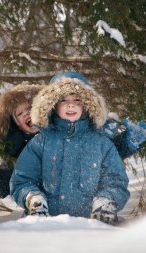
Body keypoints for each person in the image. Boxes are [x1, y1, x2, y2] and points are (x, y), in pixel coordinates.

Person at [0, 72, 146, 200]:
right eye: (20, 113)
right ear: (15, 123)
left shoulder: (77, 127)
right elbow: (5, 185)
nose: (28, 114)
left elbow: (103, 153)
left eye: (31, 108)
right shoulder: (24, 147)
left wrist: (129, 142)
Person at [10, 75, 131, 225]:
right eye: (64, 100)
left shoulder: (101, 144)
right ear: (52, 105)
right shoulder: (40, 143)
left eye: (77, 100)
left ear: (87, 105)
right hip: (45, 226)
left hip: (91, 226)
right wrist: (32, 198)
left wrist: (106, 200)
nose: (70, 105)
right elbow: (22, 180)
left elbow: (116, 181)